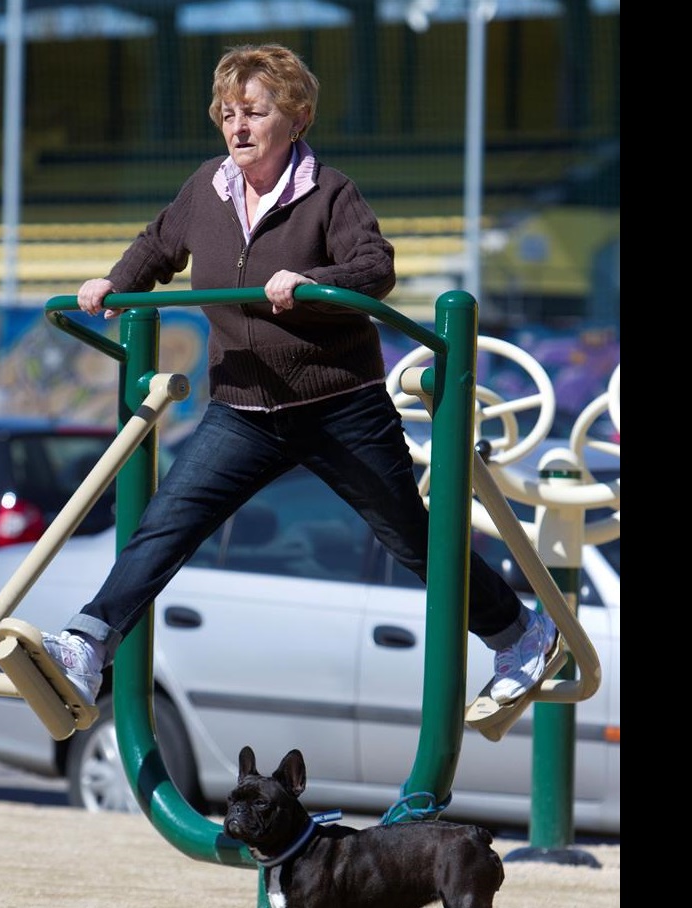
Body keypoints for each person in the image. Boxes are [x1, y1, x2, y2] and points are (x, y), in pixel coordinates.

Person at [38, 43, 557, 741]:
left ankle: (520, 632)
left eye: (254, 112)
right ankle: (87, 644)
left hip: (338, 403)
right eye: (227, 114)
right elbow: (158, 245)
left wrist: (316, 284)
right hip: (244, 407)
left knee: (408, 534)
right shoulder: (207, 189)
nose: (237, 126)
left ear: (297, 116)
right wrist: (112, 282)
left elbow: (375, 268)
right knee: (168, 522)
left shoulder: (329, 192)